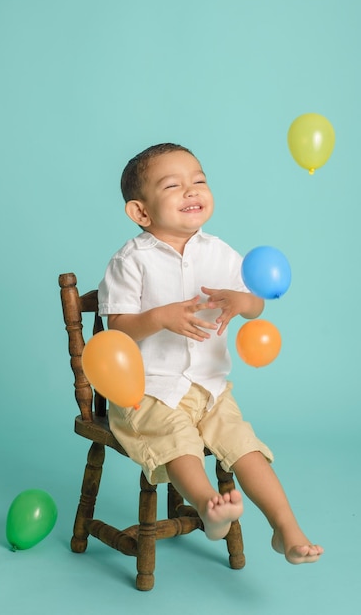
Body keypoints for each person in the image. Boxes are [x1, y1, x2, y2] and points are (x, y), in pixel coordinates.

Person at [98, 143, 324, 563]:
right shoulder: (131, 261)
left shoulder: (219, 252)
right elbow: (119, 331)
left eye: (199, 180)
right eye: (173, 185)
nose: (191, 190)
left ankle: (285, 528)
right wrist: (161, 316)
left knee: (244, 444)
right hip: (147, 392)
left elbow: (257, 301)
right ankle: (208, 506)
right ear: (141, 213)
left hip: (210, 387)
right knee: (178, 439)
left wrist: (244, 303)